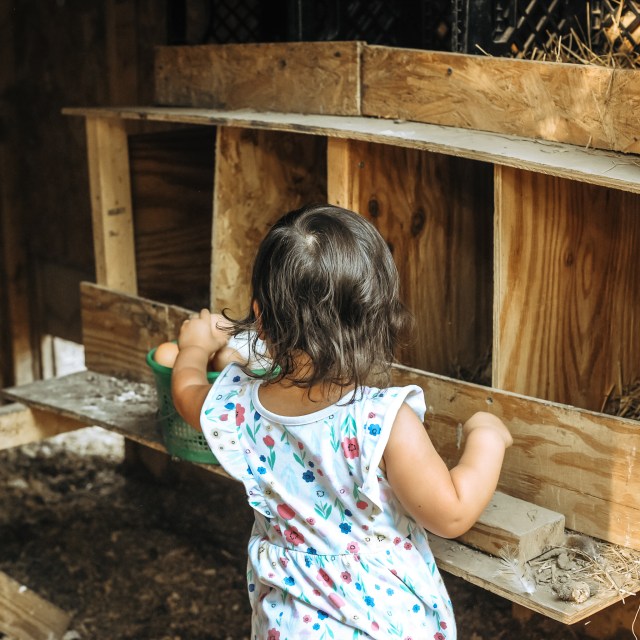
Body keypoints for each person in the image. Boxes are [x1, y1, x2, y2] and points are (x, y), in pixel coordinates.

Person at [172, 203, 512, 640]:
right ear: (377, 318)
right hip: (383, 623)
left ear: (260, 317)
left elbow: (186, 396)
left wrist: (196, 347)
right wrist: (486, 437)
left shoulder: (238, 403)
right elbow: (452, 513)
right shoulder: (382, 421)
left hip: (291, 624)